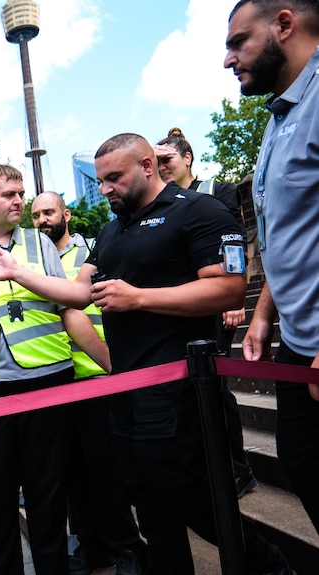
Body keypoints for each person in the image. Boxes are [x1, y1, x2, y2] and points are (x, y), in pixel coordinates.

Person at [0, 135, 293, 574]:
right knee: (148, 501)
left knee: (190, 497)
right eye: (100, 181)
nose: (105, 190)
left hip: (178, 388)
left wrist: (138, 298)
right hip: (126, 386)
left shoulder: (199, 211)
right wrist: (17, 272)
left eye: (114, 178)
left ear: (147, 165)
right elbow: (79, 294)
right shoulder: (112, 229)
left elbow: (228, 288)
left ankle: (273, 566)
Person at [0, 164, 111, 575]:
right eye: (10, 194)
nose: (19, 201)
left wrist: (109, 363)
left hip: (47, 382)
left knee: (48, 497)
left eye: (21, 193)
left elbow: (70, 305)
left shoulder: (38, 246)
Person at [226, 0, 319, 534]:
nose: (228, 59)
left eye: (239, 42)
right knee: (304, 464)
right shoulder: (280, 119)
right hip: (299, 344)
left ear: (284, 25)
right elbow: (291, 232)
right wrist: (264, 311)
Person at [30, 191, 144, 575]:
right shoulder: (34, 262)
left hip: (96, 378)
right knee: (73, 474)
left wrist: (112, 365)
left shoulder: (92, 254)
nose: (42, 220)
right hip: (57, 380)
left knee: (106, 470)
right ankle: (92, 545)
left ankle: (127, 547)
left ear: (66, 214)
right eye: (35, 215)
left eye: (49, 212)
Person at [153, 128, 258, 499]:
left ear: (187, 158)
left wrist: (233, 298)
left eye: (166, 159)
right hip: (182, 305)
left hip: (215, 299)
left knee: (215, 386)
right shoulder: (161, 202)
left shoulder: (217, 191)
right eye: (156, 161)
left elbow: (235, 242)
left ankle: (238, 468)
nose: (161, 167)